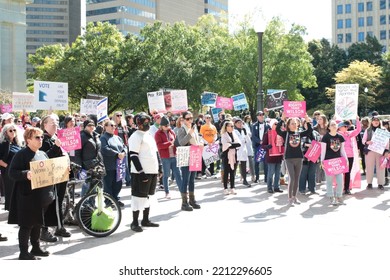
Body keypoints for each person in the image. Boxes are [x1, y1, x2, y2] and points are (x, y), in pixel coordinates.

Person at [8, 127, 55, 260]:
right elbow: (12, 173)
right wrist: (25, 174)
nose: (41, 140)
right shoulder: (21, 154)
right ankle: (23, 252)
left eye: (41, 137)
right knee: (27, 224)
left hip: (42, 196)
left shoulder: (42, 154)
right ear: (28, 139)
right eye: (37, 137)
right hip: (27, 196)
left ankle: (36, 247)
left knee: (38, 223)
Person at [39, 114, 71, 241]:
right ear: (44, 124)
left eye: (57, 122)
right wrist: (56, 146)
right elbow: (43, 158)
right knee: (48, 203)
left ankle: (59, 226)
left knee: (59, 202)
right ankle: (44, 230)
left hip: (60, 175)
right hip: (49, 178)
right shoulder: (42, 139)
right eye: (52, 122)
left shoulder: (56, 137)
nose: (56, 124)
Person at [129, 112, 161, 232]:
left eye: (148, 121)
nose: (147, 123)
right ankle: (134, 222)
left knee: (149, 196)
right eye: (145, 121)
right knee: (138, 197)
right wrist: (141, 172)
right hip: (140, 173)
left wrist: (160, 167)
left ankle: (145, 220)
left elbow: (155, 153)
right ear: (139, 123)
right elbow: (133, 155)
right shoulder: (135, 136)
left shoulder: (149, 135)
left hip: (152, 171)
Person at [276, 113, 313, 205]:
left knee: (297, 178)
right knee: (291, 178)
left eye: (295, 123)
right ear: (288, 125)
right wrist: (282, 119)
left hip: (299, 157)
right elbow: (278, 130)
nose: (294, 125)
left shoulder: (299, 133)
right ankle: (289, 198)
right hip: (289, 158)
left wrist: (307, 121)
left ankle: (294, 197)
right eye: (292, 123)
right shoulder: (286, 134)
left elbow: (309, 131)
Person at [176, 111, 203, 211]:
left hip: (195, 153)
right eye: (188, 118)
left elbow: (198, 138)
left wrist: (200, 143)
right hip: (186, 154)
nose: (190, 120)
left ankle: (192, 200)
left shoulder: (194, 128)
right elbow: (181, 142)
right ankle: (184, 202)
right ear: (183, 119)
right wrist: (190, 134)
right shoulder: (181, 129)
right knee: (185, 179)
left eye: (191, 118)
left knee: (192, 179)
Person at [74, 119, 105, 196]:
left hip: (97, 164)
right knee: (86, 186)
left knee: (95, 186)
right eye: (89, 125)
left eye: (93, 125)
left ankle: (91, 204)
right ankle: (83, 205)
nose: (91, 127)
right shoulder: (82, 136)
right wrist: (79, 166)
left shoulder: (96, 135)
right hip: (86, 166)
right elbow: (77, 153)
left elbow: (98, 150)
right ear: (85, 127)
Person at [320, 119, 348, 205]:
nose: (334, 126)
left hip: (339, 162)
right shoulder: (325, 137)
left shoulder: (340, 137)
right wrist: (322, 161)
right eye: (332, 125)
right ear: (328, 127)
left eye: (335, 124)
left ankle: (339, 197)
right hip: (328, 162)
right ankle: (331, 197)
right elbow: (323, 150)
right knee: (329, 182)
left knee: (340, 181)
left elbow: (342, 150)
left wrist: (346, 159)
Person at [100, 120, 126, 207]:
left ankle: (116, 198)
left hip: (119, 164)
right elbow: (104, 149)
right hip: (109, 165)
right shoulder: (103, 138)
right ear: (106, 126)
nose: (113, 127)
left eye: (114, 125)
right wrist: (117, 154)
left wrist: (123, 153)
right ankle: (109, 201)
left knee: (118, 183)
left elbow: (124, 147)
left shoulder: (117, 138)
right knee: (108, 184)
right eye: (111, 125)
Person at [155, 115, 182, 198]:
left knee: (178, 174)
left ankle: (182, 191)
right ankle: (167, 192)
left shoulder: (172, 132)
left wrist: (177, 144)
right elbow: (159, 146)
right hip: (165, 157)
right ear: (161, 126)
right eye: (165, 126)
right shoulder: (157, 134)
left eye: (168, 125)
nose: (167, 127)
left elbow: (176, 141)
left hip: (174, 156)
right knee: (166, 175)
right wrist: (169, 144)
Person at [0, 123, 24, 210]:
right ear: (5, 132)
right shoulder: (3, 144)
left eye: (14, 130)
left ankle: (16, 209)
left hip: (18, 171)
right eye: (10, 130)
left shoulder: (17, 143)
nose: (13, 132)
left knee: (18, 191)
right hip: (8, 172)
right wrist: (8, 166)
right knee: (10, 191)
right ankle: (11, 211)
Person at [362, 115, 389, 190]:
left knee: (381, 168)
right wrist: (367, 142)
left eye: (377, 120)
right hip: (370, 151)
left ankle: (381, 184)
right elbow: (363, 140)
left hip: (380, 152)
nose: (376, 122)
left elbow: (387, 141)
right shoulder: (368, 130)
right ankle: (369, 183)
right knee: (369, 167)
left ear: (379, 121)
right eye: (374, 120)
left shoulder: (384, 130)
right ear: (372, 122)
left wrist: (386, 150)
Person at [337, 117, 361, 195]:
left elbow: (358, 130)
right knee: (340, 173)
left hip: (350, 156)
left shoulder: (349, 134)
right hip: (340, 156)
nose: (346, 127)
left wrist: (357, 120)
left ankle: (346, 188)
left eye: (347, 126)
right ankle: (340, 188)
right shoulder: (336, 135)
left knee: (348, 172)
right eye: (345, 126)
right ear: (340, 127)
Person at [298, 119, 321, 195]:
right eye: (307, 123)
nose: (308, 124)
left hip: (314, 156)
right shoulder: (300, 132)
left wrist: (318, 157)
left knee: (312, 173)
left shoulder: (316, 133)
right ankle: (302, 189)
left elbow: (319, 145)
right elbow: (297, 144)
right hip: (304, 156)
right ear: (303, 124)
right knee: (303, 173)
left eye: (310, 123)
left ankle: (312, 188)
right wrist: (306, 145)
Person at [262, 119, 284, 194]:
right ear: (271, 125)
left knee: (278, 173)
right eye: (275, 124)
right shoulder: (267, 133)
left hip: (279, 156)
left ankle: (276, 187)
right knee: (271, 173)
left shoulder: (281, 133)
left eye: (277, 124)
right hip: (271, 156)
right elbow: (263, 145)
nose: (277, 125)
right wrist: (267, 146)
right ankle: (269, 187)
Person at [221, 120, 241, 194]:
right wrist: (232, 144)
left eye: (232, 126)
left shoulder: (234, 134)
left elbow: (239, 143)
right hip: (226, 155)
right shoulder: (224, 135)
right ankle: (225, 188)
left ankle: (232, 187)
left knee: (233, 171)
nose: (232, 127)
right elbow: (226, 145)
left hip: (234, 154)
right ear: (226, 127)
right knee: (226, 172)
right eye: (230, 126)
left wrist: (231, 144)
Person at [252, 111, 270, 183]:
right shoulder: (254, 125)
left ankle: (266, 178)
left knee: (266, 162)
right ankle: (257, 177)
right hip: (258, 146)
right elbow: (253, 136)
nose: (261, 116)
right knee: (257, 162)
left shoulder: (267, 125)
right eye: (260, 115)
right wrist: (259, 141)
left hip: (265, 146)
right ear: (257, 116)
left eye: (262, 115)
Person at [234, 118, 252, 187]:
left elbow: (248, 141)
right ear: (235, 124)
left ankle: (245, 180)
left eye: (241, 123)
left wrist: (245, 133)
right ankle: (232, 181)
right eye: (238, 123)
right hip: (237, 151)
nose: (240, 124)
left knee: (244, 166)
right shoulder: (234, 131)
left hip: (243, 150)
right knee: (234, 167)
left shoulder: (243, 131)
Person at [200, 114, 218, 178]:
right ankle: (203, 173)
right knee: (205, 158)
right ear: (204, 119)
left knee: (212, 158)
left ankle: (212, 172)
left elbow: (215, 135)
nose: (208, 119)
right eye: (207, 118)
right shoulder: (203, 127)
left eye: (209, 117)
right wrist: (207, 143)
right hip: (206, 145)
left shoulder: (213, 126)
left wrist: (214, 140)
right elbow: (201, 136)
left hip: (212, 144)